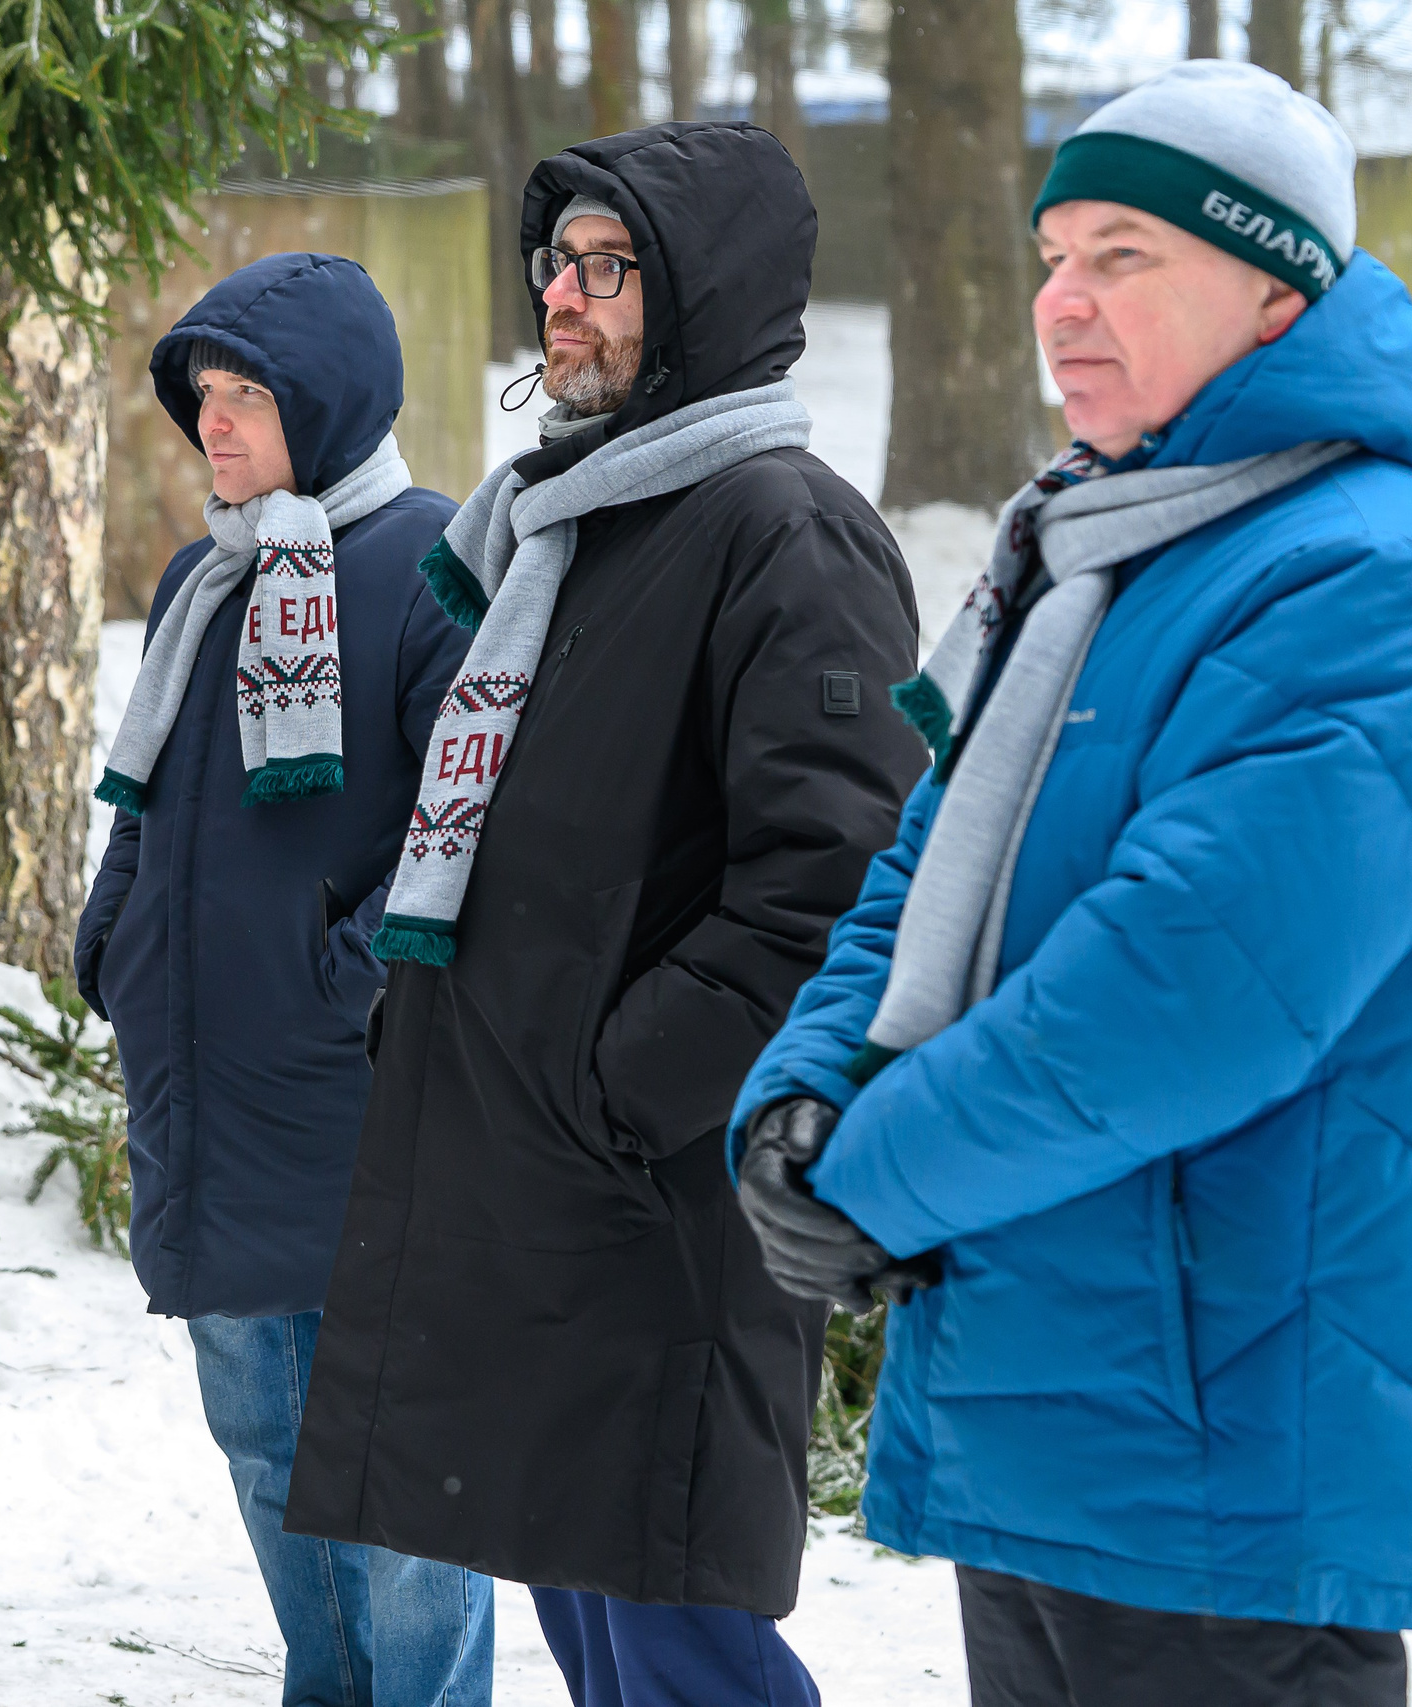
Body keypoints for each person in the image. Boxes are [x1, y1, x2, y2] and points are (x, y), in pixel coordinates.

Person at [729, 62, 1412, 1707]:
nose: (1062, 302)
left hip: (1224, 1457)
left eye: (1124, 256)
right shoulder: (1109, 548)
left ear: (1275, 290)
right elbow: (926, 871)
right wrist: (806, 1097)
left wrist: (878, 1173)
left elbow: (1183, 992)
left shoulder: (1365, 581)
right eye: (1053, 256)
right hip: (1059, 1413)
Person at [283, 124, 927, 1707]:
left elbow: (835, 882)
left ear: (702, 291)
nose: (561, 299)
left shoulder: (781, 529)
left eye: (608, 267)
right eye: (555, 264)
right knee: (593, 1621)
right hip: (530, 1194)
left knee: (678, 1634)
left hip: (653, 1214)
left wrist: (619, 1090)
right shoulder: (567, 524)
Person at [73, 251, 492, 1707]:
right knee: (263, 1444)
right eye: (203, 395)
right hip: (212, 1087)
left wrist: (352, 982)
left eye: (246, 396)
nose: (214, 424)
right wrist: (116, 937)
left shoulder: (437, 568)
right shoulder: (206, 579)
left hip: (362, 1095)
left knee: (401, 1469)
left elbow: (471, 817)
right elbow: (147, 798)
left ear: (325, 402)